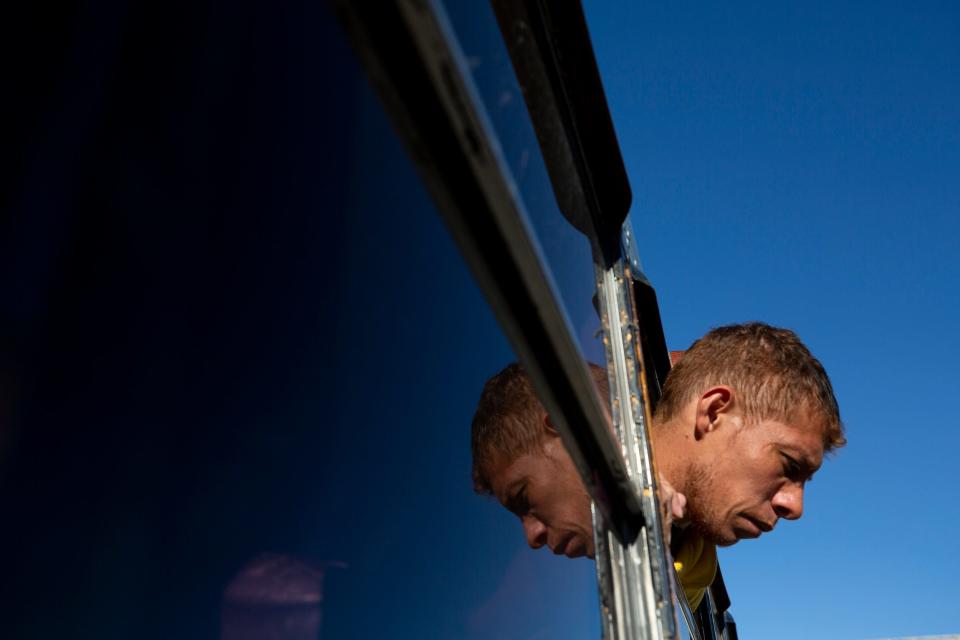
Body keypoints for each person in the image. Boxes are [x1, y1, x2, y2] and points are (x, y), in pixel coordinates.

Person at [470, 322, 845, 609]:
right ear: (713, 412)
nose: (795, 507)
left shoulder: (699, 563)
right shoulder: (546, 578)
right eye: (789, 465)